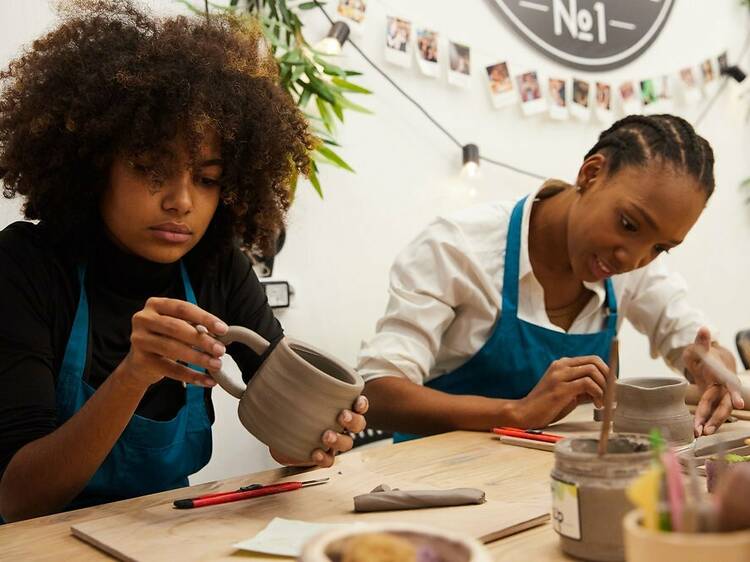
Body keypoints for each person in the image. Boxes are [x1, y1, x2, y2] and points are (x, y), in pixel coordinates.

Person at [0, 0, 367, 523]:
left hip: (169, 530)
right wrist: (133, 375)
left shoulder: (217, 268)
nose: (181, 201)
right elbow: (18, 499)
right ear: (94, 165)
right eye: (152, 168)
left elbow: (288, 436)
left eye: (208, 178)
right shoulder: (26, 266)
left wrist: (315, 438)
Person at [357, 114, 742, 442]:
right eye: (627, 224)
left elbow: (691, 341)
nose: (633, 257)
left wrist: (714, 366)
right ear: (591, 174)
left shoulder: (633, 267)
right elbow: (378, 394)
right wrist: (516, 412)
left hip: (551, 483)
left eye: (661, 247)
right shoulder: (457, 248)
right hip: (434, 485)